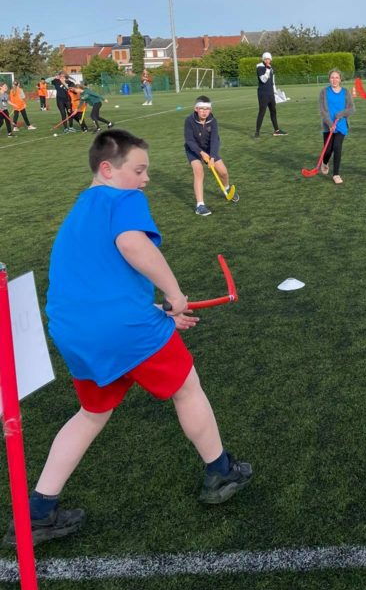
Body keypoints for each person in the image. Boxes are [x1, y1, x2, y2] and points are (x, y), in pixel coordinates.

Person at [3, 129, 252, 549]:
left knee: (91, 413)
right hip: (122, 328)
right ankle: (220, 472)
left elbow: (99, 278)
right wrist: (173, 295)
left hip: (73, 330)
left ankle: (39, 511)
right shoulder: (124, 199)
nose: (145, 179)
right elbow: (133, 245)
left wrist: (154, 311)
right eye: (139, 170)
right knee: (187, 387)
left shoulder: (80, 209)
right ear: (107, 169)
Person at [184, 96, 239, 216]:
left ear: (211, 110)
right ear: (196, 109)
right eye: (201, 109)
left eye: (207, 109)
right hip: (193, 150)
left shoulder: (213, 121)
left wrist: (212, 157)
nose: (204, 112)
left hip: (209, 149)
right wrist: (201, 153)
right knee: (199, 172)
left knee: (223, 172)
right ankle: (200, 205)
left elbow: (215, 140)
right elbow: (189, 141)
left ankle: (227, 188)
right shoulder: (189, 121)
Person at [318, 69, 354, 183]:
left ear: (340, 79)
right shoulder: (324, 92)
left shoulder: (345, 92)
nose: (334, 80)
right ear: (329, 79)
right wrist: (329, 124)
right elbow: (323, 110)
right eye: (332, 77)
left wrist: (341, 114)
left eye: (337, 77)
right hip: (328, 125)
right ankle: (325, 162)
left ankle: (336, 174)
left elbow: (351, 108)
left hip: (341, 125)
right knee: (328, 150)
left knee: (337, 147)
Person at [254, 52, 286, 137]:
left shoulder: (271, 68)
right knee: (262, 112)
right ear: (263, 59)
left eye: (269, 59)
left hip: (270, 93)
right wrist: (268, 69)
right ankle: (257, 132)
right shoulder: (260, 67)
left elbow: (272, 82)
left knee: (273, 111)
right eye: (266, 59)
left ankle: (277, 130)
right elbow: (263, 80)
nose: (267, 60)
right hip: (263, 94)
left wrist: (275, 92)